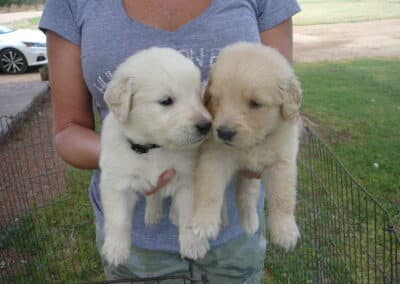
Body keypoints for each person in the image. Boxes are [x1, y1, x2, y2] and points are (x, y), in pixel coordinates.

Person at [39, 0, 301, 282]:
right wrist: (128, 157)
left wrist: (263, 155)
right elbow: (69, 128)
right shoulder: (71, 4)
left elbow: (287, 105)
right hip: (138, 248)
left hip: (232, 240)